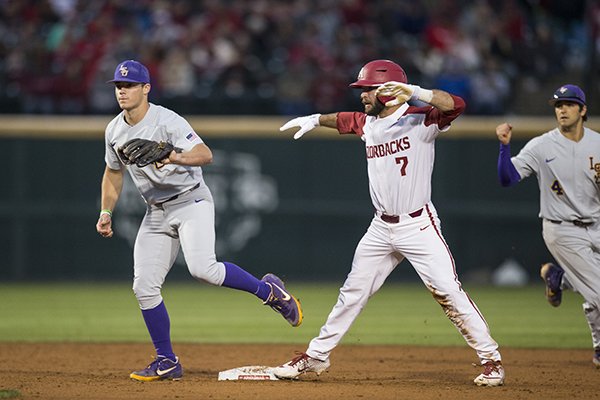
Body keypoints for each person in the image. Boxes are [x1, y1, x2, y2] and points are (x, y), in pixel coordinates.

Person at [274, 59, 505, 386]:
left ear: (390, 91)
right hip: (381, 228)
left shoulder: (420, 119)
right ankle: (316, 356)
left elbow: (457, 105)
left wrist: (415, 92)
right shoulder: (368, 123)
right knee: (351, 293)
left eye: (368, 90)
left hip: (418, 225)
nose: (363, 96)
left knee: (448, 293)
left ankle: (491, 360)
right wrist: (314, 119)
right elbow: (342, 120)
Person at [95, 60, 303, 382]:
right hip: (156, 211)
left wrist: (173, 156)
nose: (122, 91)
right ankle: (167, 361)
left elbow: (206, 155)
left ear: (146, 88)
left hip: (191, 200)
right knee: (144, 287)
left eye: (129, 85)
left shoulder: (167, 120)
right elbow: (113, 172)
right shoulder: (114, 129)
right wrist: (106, 212)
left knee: (203, 269)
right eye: (118, 86)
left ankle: (269, 292)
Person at [496, 84, 600, 368]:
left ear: (583, 110)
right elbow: (508, 178)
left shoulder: (597, 144)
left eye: (568, 104)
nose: (562, 109)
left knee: (594, 290)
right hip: (562, 228)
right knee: (599, 290)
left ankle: (560, 279)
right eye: (557, 105)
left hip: (597, 224)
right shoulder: (542, 146)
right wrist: (504, 147)